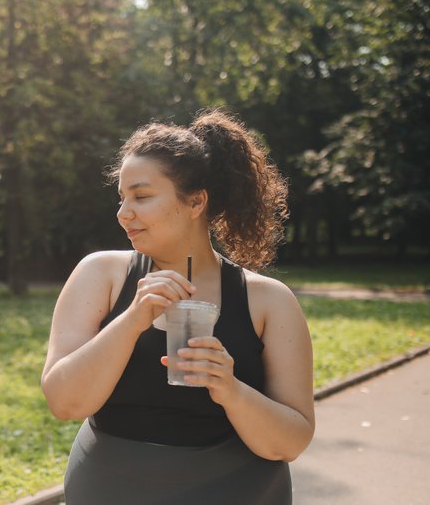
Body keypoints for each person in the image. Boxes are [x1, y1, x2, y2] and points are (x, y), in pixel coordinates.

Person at [42, 110, 314, 504]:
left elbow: (291, 442)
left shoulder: (268, 300)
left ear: (195, 202)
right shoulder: (100, 275)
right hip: (112, 488)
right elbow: (65, 403)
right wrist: (131, 320)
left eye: (142, 196)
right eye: (122, 198)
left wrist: (230, 389)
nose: (123, 213)